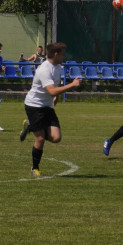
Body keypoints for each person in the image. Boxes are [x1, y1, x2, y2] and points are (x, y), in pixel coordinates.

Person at [19, 42, 82, 177]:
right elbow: (52, 90)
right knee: (40, 139)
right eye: (63, 54)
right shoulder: (44, 70)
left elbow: (54, 89)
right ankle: (34, 168)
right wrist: (72, 85)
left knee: (56, 137)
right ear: (56, 54)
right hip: (34, 106)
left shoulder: (58, 67)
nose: (64, 57)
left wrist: (56, 97)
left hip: (47, 106)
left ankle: (31, 126)